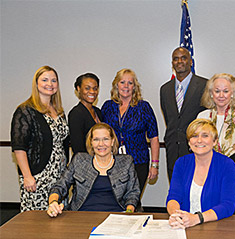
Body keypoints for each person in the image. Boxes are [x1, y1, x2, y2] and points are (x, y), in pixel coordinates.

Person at [47, 123, 140, 217]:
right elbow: (59, 186)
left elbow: (133, 193)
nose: (101, 144)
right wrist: (53, 202)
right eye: (96, 139)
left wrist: (129, 212)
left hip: (116, 217)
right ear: (91, 142)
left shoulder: (126, 162)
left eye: (105, 139)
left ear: (112, 141)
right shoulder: (79, 160)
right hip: (81, 216)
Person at [10, 66, 69, 212]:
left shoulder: (59, 111)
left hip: (59, 177)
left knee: (59, 217)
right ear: (36, 84)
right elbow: (19, 147)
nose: (50, 84)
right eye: (45, 80)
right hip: (38, 176)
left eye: (54, 80)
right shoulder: (25, 111)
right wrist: (27, 176)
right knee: (36, 221)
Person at [197, 73, 235, 214]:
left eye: (226, 91)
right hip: (209, 181)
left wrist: (233, 174)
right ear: (211, 94)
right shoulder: (202, 117)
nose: (221, 95)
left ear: (233, 93)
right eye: (217, 91)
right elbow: (197, 150)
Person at [167, 119, 235, 229]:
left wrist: (197, 218)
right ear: (189, 142)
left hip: (216, 227)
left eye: (205, 136)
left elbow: (227, 205)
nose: (199, 140)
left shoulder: (227, 165)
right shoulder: (181, 163)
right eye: (194, 136)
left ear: (214, 141)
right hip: (185, 225)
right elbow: (173, 197)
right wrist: (176, 215)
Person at [101, 69, 159, 195]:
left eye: (130, 83)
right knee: (116, 198)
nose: (126, 86)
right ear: (116, 85)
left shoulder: (144, 107)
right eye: (122, 82)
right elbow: (101, 133)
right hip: (113, 161)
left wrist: (154, 165)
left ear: (135, 87)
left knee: (133, 197)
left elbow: (154, 138)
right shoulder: (107, 107)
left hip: (138, 161)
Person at [160, 47, 207, 181]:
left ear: (191, 62)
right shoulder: (165, 89)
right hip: (173, 151)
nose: (179, 61)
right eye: (175, 59)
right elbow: (170, 120)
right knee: (176, 194)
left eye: (183, 58)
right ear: (172, 63)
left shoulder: (205, 85)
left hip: (197, 150)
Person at [68, 73, 102, 154]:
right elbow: (78, 148)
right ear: (78, 88)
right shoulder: (76, 114)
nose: (92, 92)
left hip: (99, 161)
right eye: (87, 88)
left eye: (95, 88)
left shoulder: (98, 111)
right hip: (85, 163)